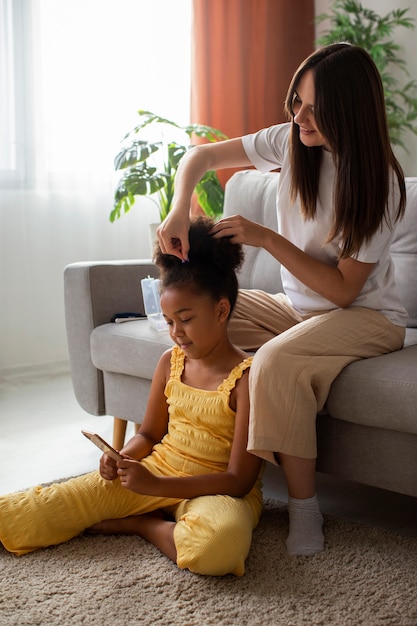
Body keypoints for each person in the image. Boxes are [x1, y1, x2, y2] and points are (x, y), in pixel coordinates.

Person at [157, 43, 408, 556]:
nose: (299, 116)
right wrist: (179, 208)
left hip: (368, 317)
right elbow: (200, 155)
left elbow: (342, 289)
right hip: (297, 309)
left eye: (315, 108)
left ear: (351, 111)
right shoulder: (291, 142)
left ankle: (304, 507)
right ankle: (187, 457)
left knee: (275, 361)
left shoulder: (379, 184)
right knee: (207, 314)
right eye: (297, 101)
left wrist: (268, 238)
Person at [0, 216, 263, 577]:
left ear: (221, 310)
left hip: (217, 493)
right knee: (38, 507)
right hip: (157, 471)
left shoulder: (248, 378)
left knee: (216, 546)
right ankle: (145, 511)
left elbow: (239, 480)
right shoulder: (169, 362)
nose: (176, 333)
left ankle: (143, 524)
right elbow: (150, 435)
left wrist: (155, 490)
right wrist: (122, 458)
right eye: (169, 321)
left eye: (185, 319)